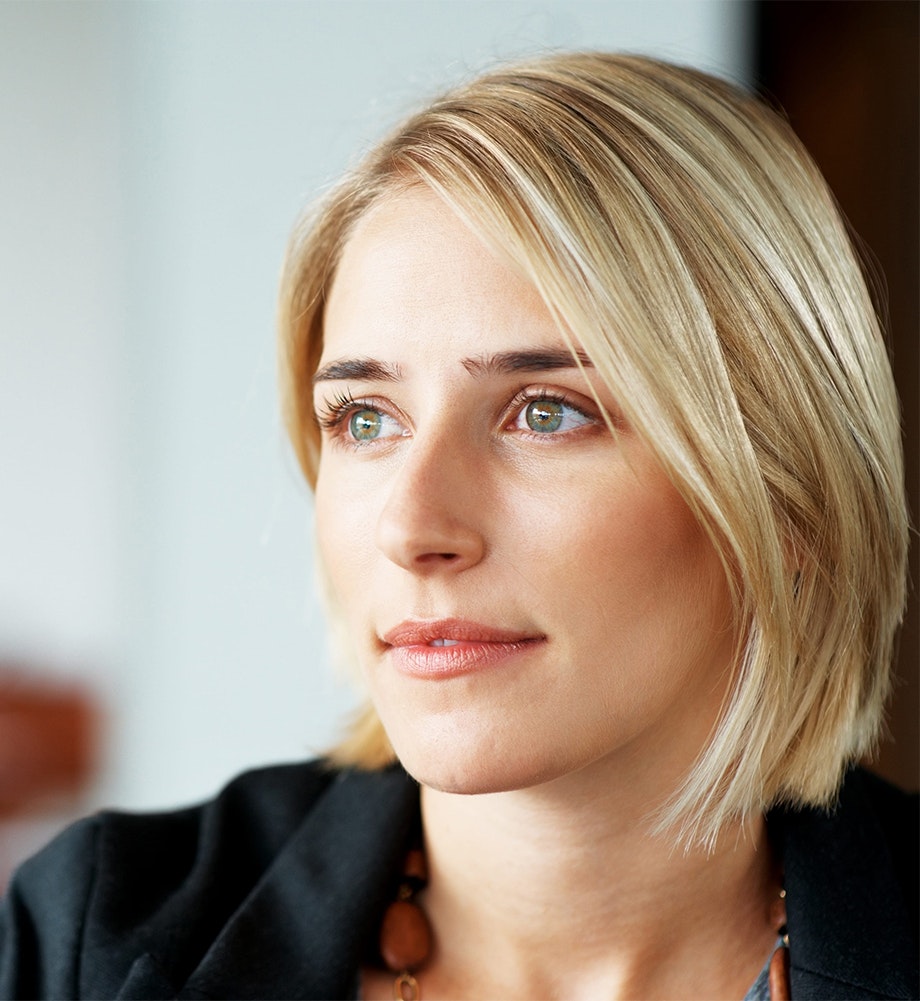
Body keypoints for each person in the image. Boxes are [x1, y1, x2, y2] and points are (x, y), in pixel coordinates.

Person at [0, 52, 916, 1001]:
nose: (412, 524)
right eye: (365, 420)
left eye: (547, 411)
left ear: (787, 496)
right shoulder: (87, 941)